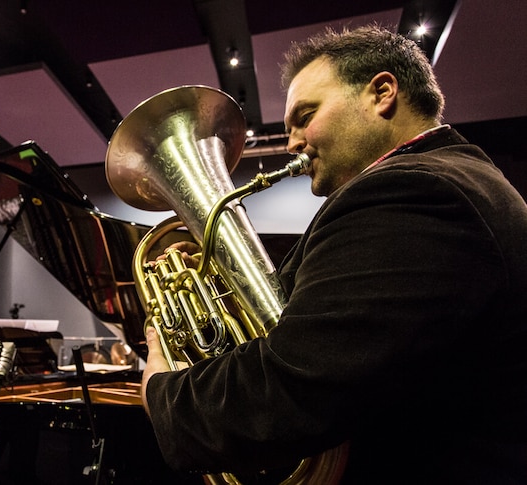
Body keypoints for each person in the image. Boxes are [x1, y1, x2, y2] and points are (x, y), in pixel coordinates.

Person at [140, 25, 527, 484]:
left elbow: (291, 391)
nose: (292, 143)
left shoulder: (415, 192)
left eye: (305, 115)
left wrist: (160, 388)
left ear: (382, 93)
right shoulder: (450, 180)